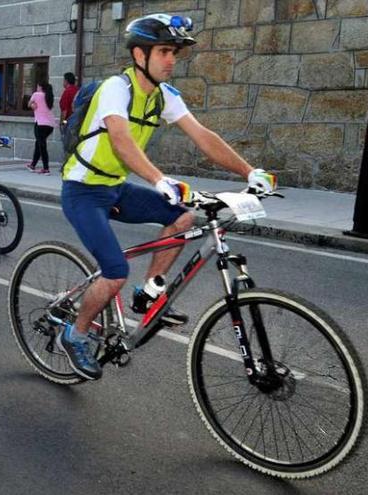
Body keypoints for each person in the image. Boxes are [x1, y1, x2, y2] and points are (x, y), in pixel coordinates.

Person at [56, 14, 277, 380]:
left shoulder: (163, 96)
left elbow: (202, 135)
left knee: (184, 216)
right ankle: (75, 334)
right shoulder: (117, 88)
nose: (172, 59)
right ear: (140, 54)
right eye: (164, 51)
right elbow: (120, 140)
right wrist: (159, 179)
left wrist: (249, 172)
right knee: (114, 273)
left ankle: (149, 291)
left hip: (114, 187)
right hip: (82, 191)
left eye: (174, 52)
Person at [26, 81, 57, 175]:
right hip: (50, 125)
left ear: (40, 87)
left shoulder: (36, 94)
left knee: (42, 145)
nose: (36, 88)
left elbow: (28, 104)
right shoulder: (48, 96)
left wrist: (32, 105)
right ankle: (33, 165)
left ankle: (46, 168)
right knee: (39, 143)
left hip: (40, 124)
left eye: (37, 86)